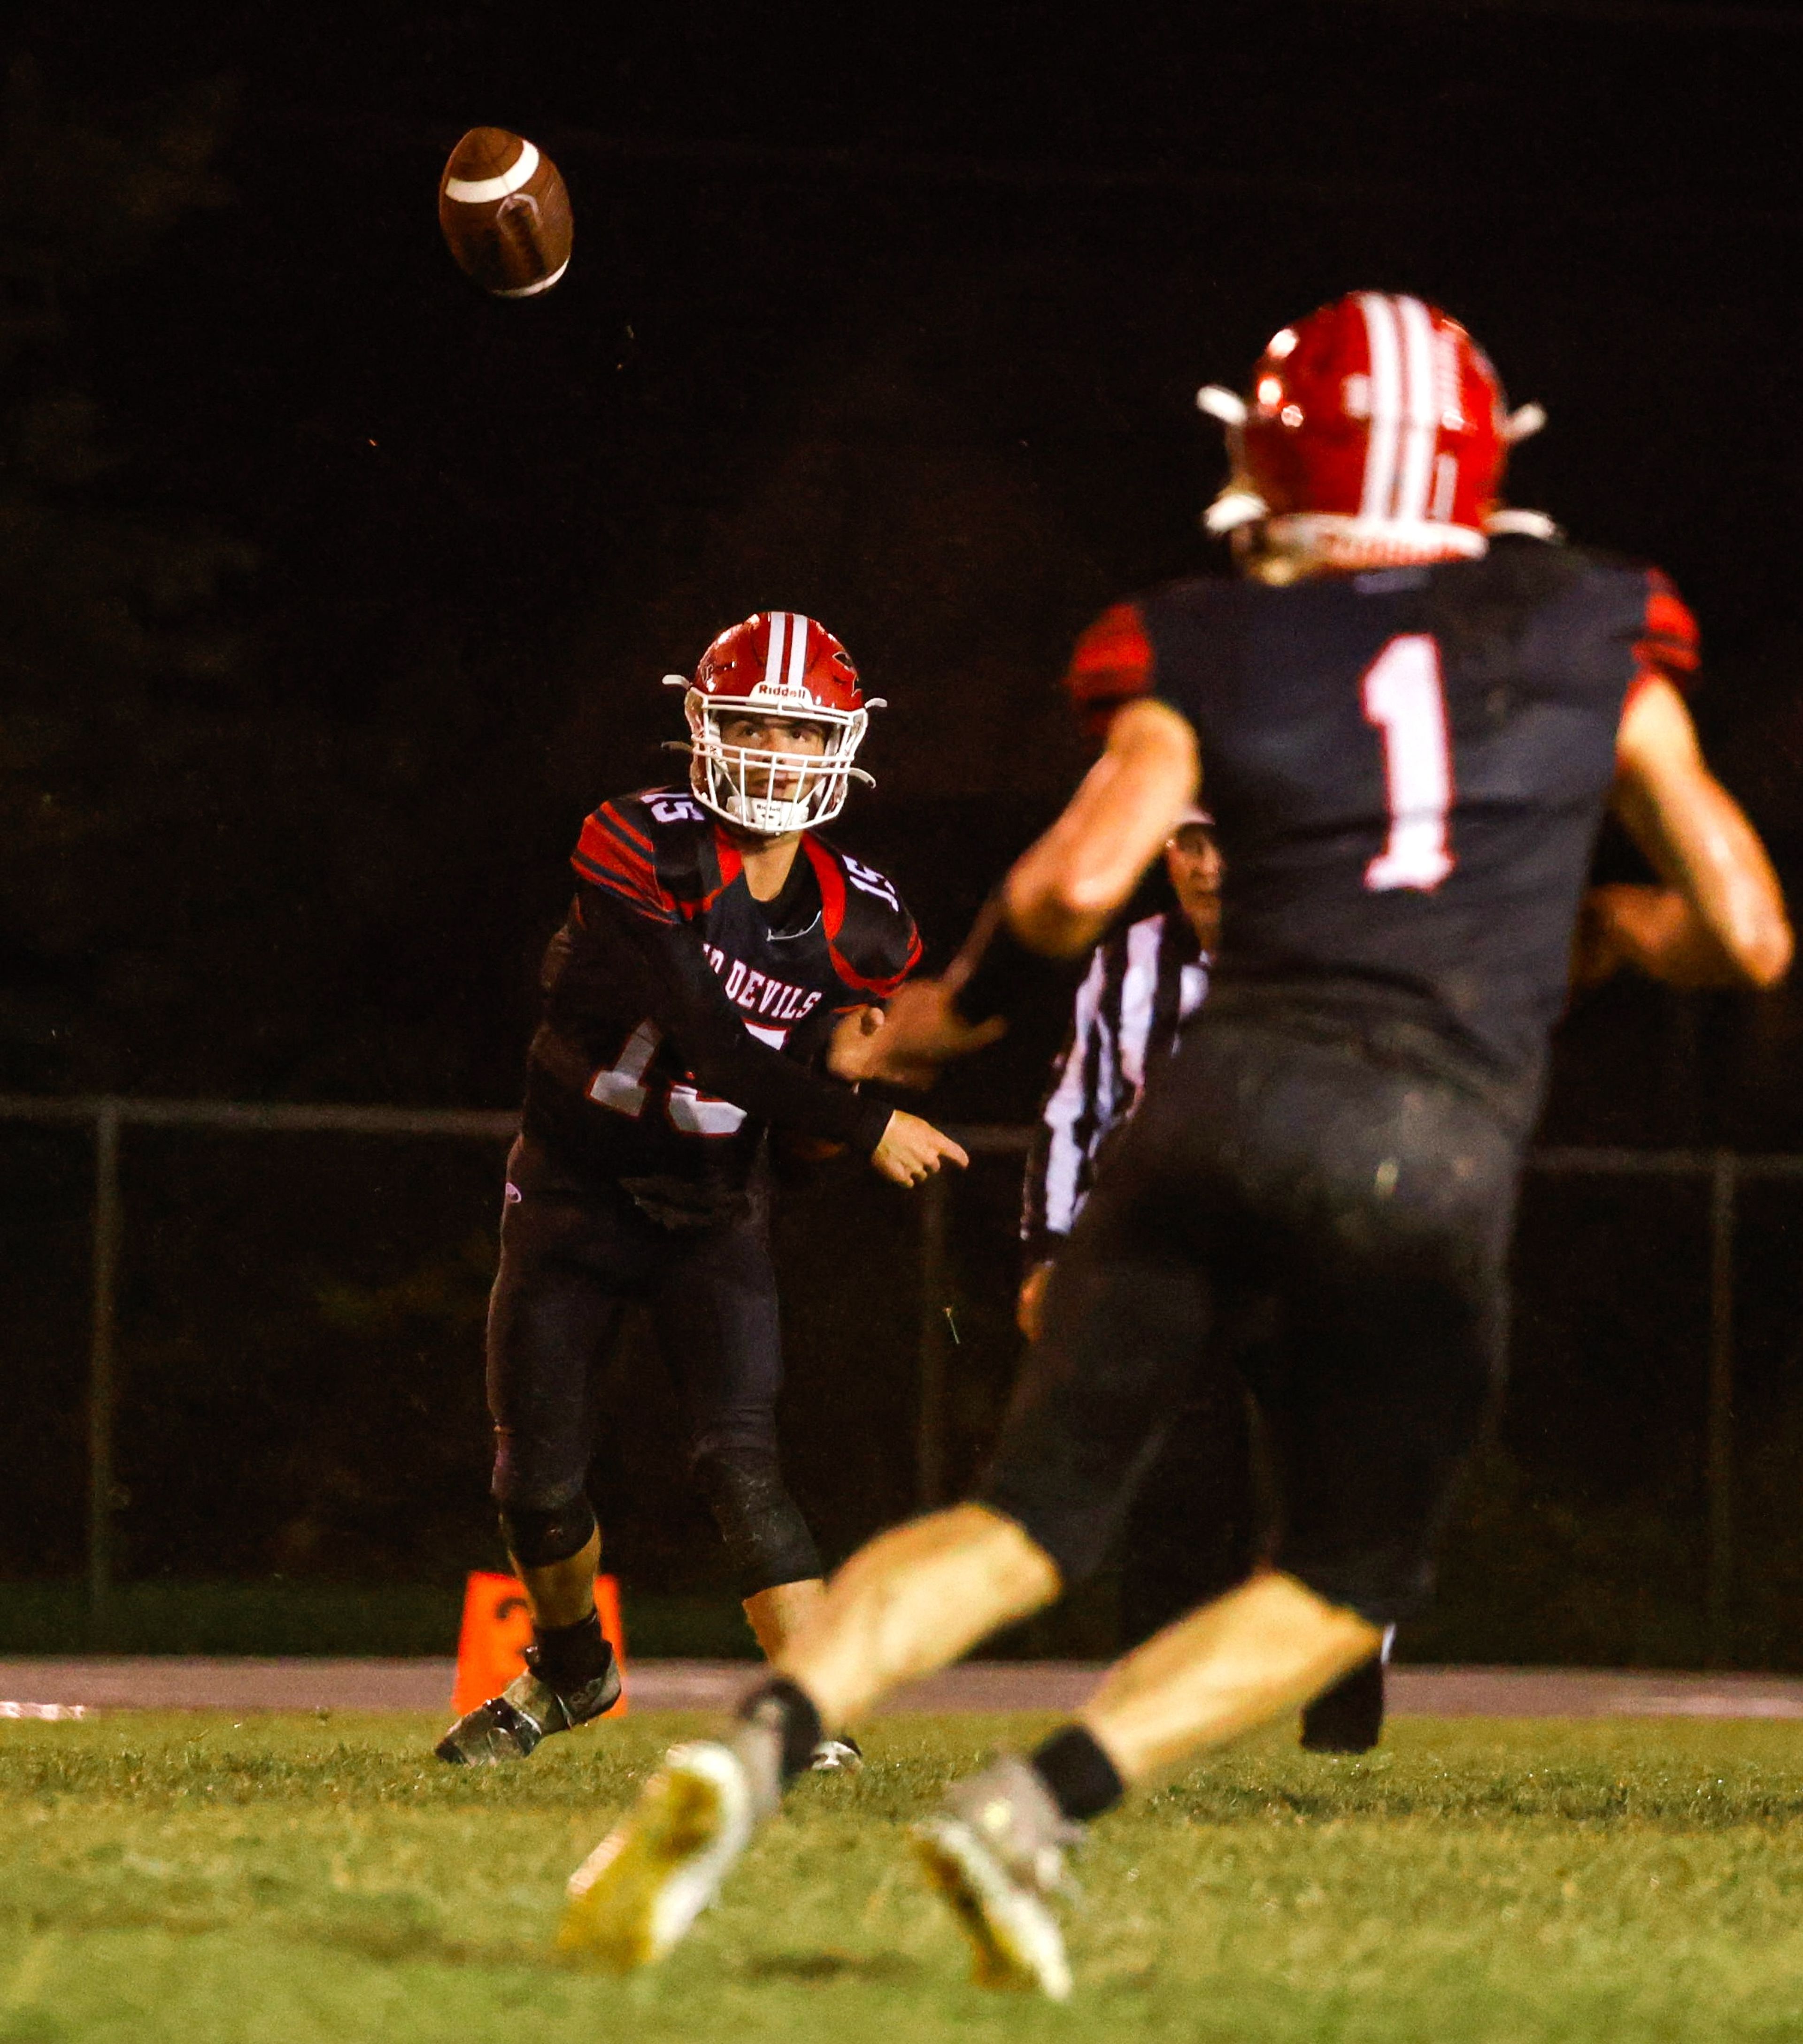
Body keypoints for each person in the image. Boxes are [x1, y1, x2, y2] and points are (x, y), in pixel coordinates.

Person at [556, 294, 1792, 1993]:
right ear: (1481, 464)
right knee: (1346, 1576)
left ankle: (755, 1746)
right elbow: (1746, 929)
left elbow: (1071, 887)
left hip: (1209, 1107)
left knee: (1024, 1521)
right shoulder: (1592, 629)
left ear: (1267, 464)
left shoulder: (1212, 640)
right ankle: (1037, 1806)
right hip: (1421, 1146)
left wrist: (935, 1028)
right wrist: (1590, 934)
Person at [435, 611, 968, 1767]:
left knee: (740, 1459)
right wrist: (867, 1118)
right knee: (536, 1484)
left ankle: (814, 1723)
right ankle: (573, 1672)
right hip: (575, 1190)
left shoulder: (866, 919)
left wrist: (844, 1092)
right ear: (702, 728)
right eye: (750, 724)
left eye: (797, 728)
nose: (773, 751)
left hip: (714, 1208)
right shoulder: (642, 842)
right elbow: (721, 1050)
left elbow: (793, 1102)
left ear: (840, 744)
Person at [1021, 810, 1389, 1751]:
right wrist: (1049, 1252)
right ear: (1161, 847)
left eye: (1229, 836)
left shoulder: (1336, 956)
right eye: (1189, 840)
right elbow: (1077, 1110)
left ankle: (1342, 1731)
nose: (1210, 865)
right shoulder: (1130, 961)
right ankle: (1145, 1726)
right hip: (1176, 1263)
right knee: (1177, 1500)